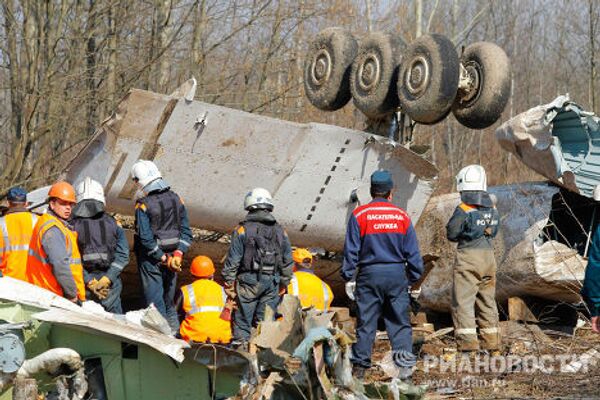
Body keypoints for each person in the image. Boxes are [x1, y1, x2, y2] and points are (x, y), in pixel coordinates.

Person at [341, 170, 423, 381]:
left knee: (366, 324)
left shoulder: (359, 215)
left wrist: (348, 274)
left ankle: (359, 370)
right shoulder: (402, 216)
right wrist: (413, 277)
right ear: (390, 193)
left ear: (371, 191)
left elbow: (351, 250)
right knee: (399, 324)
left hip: (369, 275)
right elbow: (413, 253)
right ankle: (405, 372)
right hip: (396, 274)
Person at [222, 188, 293, 349]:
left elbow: (233, 260)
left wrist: (229, 283)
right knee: (266, 325)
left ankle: (242, 358)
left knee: (242, 323)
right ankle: (263, 361)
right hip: (272, 283)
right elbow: (287, 260)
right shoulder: (281, 231)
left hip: (248, 282)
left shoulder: (242, 230)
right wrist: (283, 282)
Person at [131, 160, 193, 334]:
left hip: (152, 261)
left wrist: (163, 258)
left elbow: (146, 239)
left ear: (139, 181)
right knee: (169, 301)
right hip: (174, 260)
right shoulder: (177, 199)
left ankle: (161, 342)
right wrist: (178, 255)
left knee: (154, 305)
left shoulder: (143, 205)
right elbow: (186, 233)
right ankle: (174, 336)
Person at [446, 164, 501, 353]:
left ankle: (468, 346)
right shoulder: (493, 208)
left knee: (463, 303)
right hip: (489, 258)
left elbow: (452, 234)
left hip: (469, 258)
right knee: (487, 302)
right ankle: (492, 345)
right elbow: (493, 232)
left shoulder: (463, 209)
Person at [71, 177, 129, 313]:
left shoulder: (72, 226)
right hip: (110, 284)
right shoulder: (114, 223)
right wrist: (108, 278)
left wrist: (90, 282)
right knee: (117, 323)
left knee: (85, 323)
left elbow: (71, 258)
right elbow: (123, 255)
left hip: (84, 284)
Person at [25, 182, 86, 302]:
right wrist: (72, 294)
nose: (68, 207)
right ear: (52, 204)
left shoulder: (48, 222)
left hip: (45, 291)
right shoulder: (53, 229)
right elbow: (60, 265)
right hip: (52, 295)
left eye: (70, 204)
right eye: (63, 203)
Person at [178, 255, 231, 343]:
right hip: (222, 339)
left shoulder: (185, 291)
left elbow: (174, 314)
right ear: (212, 274)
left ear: (192, 274)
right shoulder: (223, 291)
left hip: (193, 339)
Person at [0, 187, 38, 280]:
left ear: (8, 203)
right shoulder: (38, 221)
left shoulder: (1, 223)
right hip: (35, 281)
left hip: (9, 281)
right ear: (26, 203)